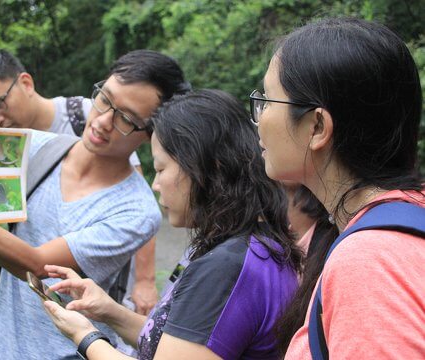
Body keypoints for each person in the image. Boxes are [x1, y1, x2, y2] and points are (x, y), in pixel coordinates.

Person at [0, 50, 190, 359]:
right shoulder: (34, 147)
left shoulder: (136, 211)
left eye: (126, 119)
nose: (102, 122)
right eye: (104, 99)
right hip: (1, 348)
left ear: (149, 135)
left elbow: (37, 266)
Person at [42, 89, 300, 359]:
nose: (155, 184)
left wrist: (85, 336)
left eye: (162, 169)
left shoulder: (225, 268)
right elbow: (179, 344)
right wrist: (108, 310)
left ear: (209, 168)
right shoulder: (255, 244)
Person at [248, 17, 425, 358]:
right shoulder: (400, 216)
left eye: (268, 101)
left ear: (317, 126)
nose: (259, 118)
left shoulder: (370, 260)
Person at [0, 49, 164, 316]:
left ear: (26, 83)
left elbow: (132, 190)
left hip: (92, 281)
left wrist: (145, 281)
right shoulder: (5, 141)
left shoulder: (93, 116)